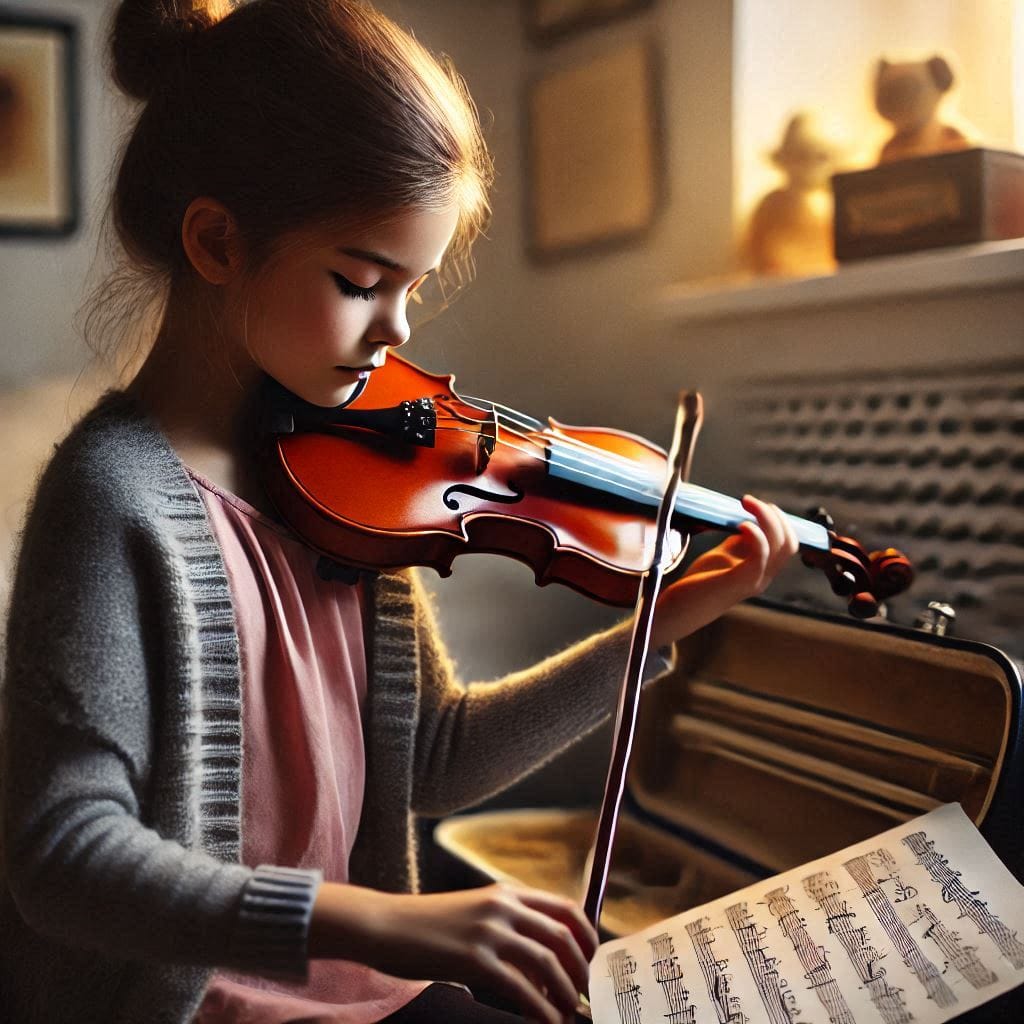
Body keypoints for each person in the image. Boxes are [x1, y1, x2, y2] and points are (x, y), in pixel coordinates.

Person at [0, 2, 799, 1022]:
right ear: (215, 241)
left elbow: (433, 757)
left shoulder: (345, 479)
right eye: (362, 281)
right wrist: (380, 919)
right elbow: (62, 854)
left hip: (364, 991)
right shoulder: (112, 496)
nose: (398, 329)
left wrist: (661, 620)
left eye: (413, 287)